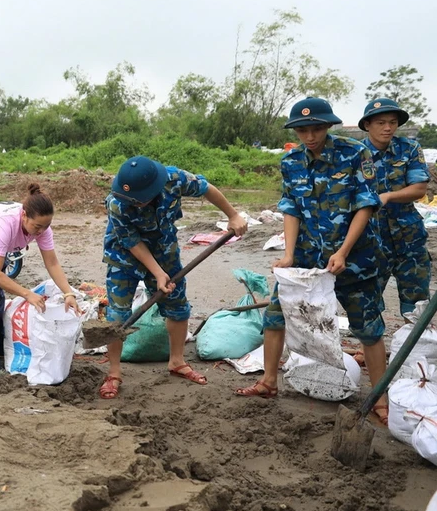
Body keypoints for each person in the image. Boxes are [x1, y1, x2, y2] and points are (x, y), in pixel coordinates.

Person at [235, 98, 390, 424]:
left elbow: (365, 206)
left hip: (354, 258)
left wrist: (344, 252)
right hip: (306, 259)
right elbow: (290, 208)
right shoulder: (291, 161)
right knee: (276, 317)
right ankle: (268, 381)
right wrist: (290, 254)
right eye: (303, 130)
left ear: (328, 126)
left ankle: (380, 399)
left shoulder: (355, 154)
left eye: (316, 128)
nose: (309, 136)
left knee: (368, 328)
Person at [100, 155, 248, 399]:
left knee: (177, 304)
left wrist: (232, 215)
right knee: (118, 313)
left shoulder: (174, 178)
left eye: (138, 201)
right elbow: (131, 241)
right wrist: (158, 273)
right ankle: (114, 372)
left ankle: (177, 362)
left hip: (164, 248)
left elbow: (206, 188)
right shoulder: (117, 202)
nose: (134, 204)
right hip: (123, 255)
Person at [0, 184, 82, 377]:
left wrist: (68, 293)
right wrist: (27, 293)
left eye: (45, 227)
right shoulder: (5, 224)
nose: (40, 232)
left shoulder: (42, 228)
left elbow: (52, 262)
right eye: (36, 226)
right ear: (24, 215)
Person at [359, 97, 431, 318]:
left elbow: (419, 188)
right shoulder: (355, 153)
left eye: (392, 122)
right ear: (367, 125)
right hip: (370, 236)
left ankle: (416, 349)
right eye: (381, 123)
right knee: (367, 302)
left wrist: (388, 196)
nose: (388, 127)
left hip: (408, 235)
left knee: (416, 301)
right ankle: (371, 350)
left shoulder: (408, 148)